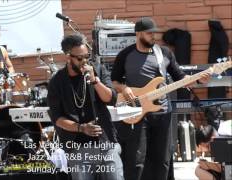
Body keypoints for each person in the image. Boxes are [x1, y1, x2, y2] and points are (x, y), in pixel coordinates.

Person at [111, 17, 210, 180]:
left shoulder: (164, 53)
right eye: (149, 33)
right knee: (137, 159)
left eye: (154, 33)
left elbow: (180, 77)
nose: (153, 36)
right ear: (138, 34)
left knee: (162, 160)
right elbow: (114, 80)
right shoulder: (125, 55)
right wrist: (125, 88)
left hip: (162, 112)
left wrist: (198, 80)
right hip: (137, 113)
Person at [47, 33, 123, 180]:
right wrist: (82, 128)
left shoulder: (98, 70)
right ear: (68, 57)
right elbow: (57, 118)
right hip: (77, 145)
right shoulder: (57, 82)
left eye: (87, 56)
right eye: (80, 58)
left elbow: (111, 99)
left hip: (105, 142)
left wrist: (95, 81)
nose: (85, 61)